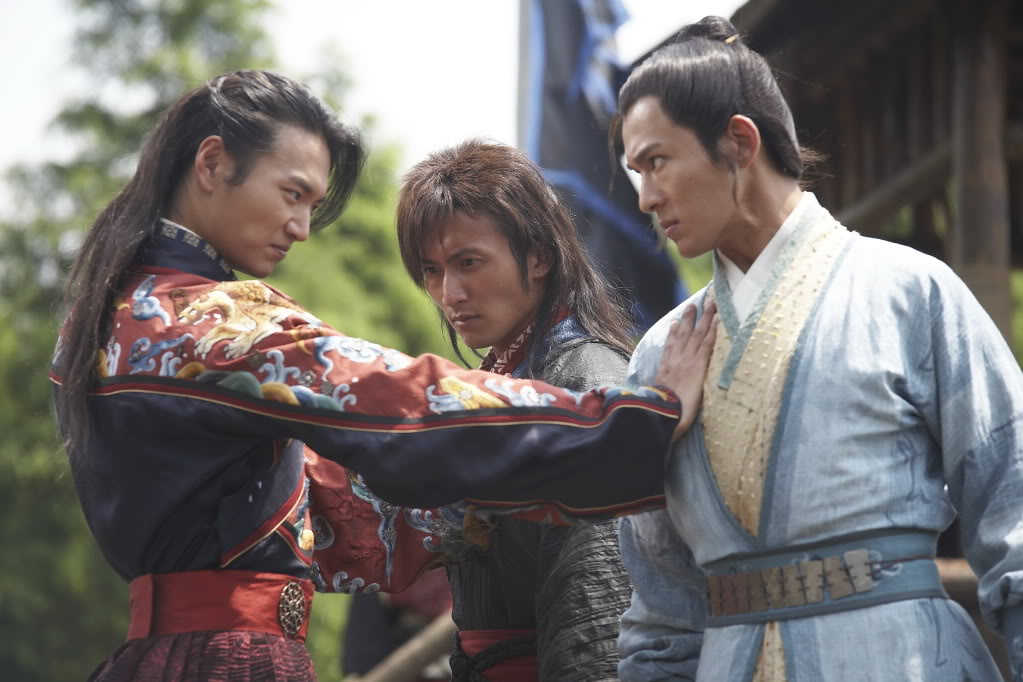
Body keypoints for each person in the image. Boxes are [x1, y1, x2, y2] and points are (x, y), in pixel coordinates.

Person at [50, 69, 715, 680]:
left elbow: (315, 514)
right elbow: (409, 405)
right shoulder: (214, 322)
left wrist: (479, 498)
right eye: (292, 193)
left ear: (539, 256)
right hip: (231, 660)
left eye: (311, 203)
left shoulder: (102, 322)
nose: (302, 228)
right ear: (213, 163)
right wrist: (635, 422)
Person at [611, 16, 1023, 682]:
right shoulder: (662, 354)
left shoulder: (909, 292)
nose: (646, 198)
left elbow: (1014, 506)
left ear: (739, 141)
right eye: (635, 172)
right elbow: (660, 604)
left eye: (656, 162)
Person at [395, 139, 643, 681]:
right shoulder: (505, 383)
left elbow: (597, 606)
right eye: (432, 270)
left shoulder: (588, 383)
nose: (449, 292)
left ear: (538, 256)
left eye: (468, 262)